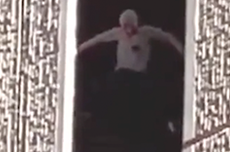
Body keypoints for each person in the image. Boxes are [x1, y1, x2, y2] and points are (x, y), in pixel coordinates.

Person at [77, 9, 183, 141]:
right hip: (122, 72)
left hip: (139, 75)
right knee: (105, 90)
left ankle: (167, 123)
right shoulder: (118, 33)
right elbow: (98, 39)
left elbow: (166, 36)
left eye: (130, 27)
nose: (128, 31)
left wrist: (181, 49)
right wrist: (79, 49)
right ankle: (92, 117)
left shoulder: (146, 32)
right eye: (125, 27)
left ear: (135, 25)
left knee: (153, 95)